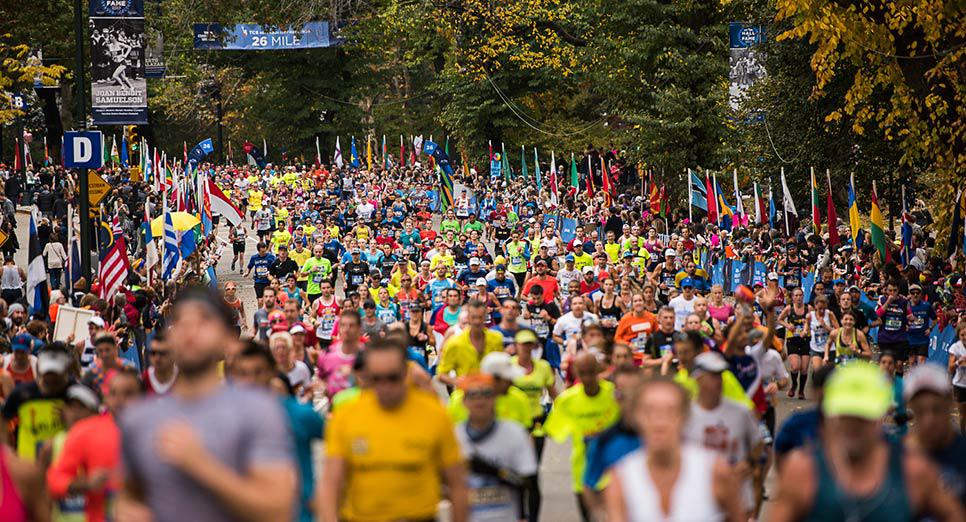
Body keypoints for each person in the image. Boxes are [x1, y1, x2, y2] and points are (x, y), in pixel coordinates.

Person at [118, 288, 296, 522]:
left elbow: (277, 511)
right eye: (181, 322)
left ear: (226, 336)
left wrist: (199, 464)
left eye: (204, 320)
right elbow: (129, 495)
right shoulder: (138, 419)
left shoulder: (259, 411)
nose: (191, 332)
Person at [319, 337, 469, 522]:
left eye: (392, 377)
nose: (384, 386)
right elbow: (330, 486)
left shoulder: (435, 414)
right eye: (376, 379)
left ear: (406, 372)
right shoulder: (346, 417)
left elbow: (457, 483)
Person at [603, 377, 744, 522]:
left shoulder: (715, 471)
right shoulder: (621, 481)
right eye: (649, 411)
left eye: (670, 411)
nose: (659, 421)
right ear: (636, 416)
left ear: (684, 417)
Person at [231, 343, 325, 522]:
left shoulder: (300, 413)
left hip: (297, 514)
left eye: (258, 372)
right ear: (234, 376)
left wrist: (324, 493)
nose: (251, 380)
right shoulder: (227, 419)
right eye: (243, 373)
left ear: (270, 372)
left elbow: (337, 445)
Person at [46, 370, 142, 522]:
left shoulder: (158, 432)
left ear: (142, 397)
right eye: (113, 394)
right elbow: (54, 479)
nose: (119, 400)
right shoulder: (85, 431)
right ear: (106, 398)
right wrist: (86, 483)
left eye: (128, 394)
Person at [683, 351, 762, 518]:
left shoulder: (741, 412)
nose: (718, 381)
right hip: (699, 500)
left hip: (736, 498)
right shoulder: (684, 416)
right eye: (712, 376)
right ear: (698, 378)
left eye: (720, 375)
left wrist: (748, 463)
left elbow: (758, 443)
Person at [544, 351, 620, 522]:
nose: (587, 378)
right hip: (584, 471)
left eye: (591, 371)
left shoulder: (614, 395)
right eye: (582, 372)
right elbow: (553, 432)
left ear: (598, 369)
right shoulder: (567, 401)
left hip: (613, 470)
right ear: (576, 372)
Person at [455, 373, 539, 522]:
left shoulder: (515, 433)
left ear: (495, 399)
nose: (480, 400)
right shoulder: (453, 437)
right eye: (473, 395)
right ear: (464, 401)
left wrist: (495, 472)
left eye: (486, 394)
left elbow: (528, 482)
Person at [904, 363, 966, 507]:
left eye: (937, 409)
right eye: (920, 411)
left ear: (950, 403)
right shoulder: (898, 459)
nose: (929, 421)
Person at [2, 346, 73, 460]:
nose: (51, 383)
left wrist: (72, 419)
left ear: (66, 372)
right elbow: (4, 417)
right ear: (39, 370)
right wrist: (6, 450)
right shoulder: (22, 392)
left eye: (56, 379)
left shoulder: (75, 393)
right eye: (47, 376)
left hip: (63, 466)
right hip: (27, 465)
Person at [437, 300, 505, 387]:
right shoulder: (455, 342)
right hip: (465, 395)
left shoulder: (496, 338)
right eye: (474, 317)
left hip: (492, 393)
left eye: (480, 317)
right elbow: (442, 374)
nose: (477, 321)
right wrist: (457, 382)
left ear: (485, 317)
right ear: (468, 317)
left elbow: (502, 367)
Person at [947, 321, 966, 434]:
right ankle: (963, 437)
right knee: (963, 414)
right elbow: (950, 368)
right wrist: (959, 362)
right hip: (960, 385)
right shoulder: (955, 347)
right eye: (962, 335)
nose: (965, 337)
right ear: (958, 336)